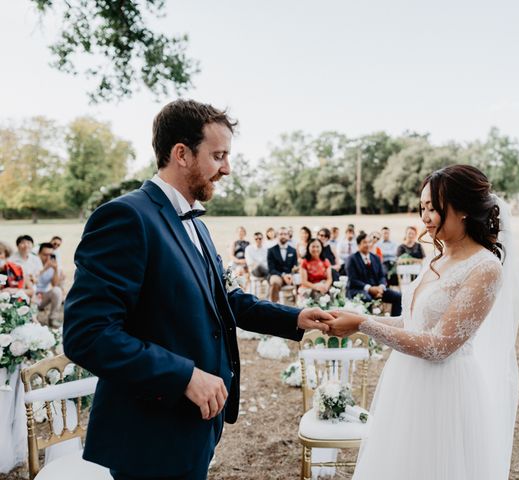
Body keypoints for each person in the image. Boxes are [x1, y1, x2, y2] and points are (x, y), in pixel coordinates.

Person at [62, 99, 332, 480]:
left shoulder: (197, 224)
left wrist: (295, 317)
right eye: (218, 155)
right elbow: (87, 335)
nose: (227, 168)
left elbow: (223, 299)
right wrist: (184, 376)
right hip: (151, 434)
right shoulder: (126, 217)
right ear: (181, 154)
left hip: (195, 427)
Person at [326, 165, 519, 479]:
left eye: (433, 207)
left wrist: (363, 325)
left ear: (462, 209)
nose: (425, 217)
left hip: (444, 390)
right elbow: (411, 322)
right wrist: (357, 319)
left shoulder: (485, 268)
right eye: (422, 208)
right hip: (406, 381)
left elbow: (439, 346)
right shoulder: (438, 258)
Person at [345, 232, 402, 316]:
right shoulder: (352, 259)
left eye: (369, 242)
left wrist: (381, 287)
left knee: (397, 296)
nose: (367, 244)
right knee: (367, 298)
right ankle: (368, 324)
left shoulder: (375, 258)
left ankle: (394, 321)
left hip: (378, 289)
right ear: (358, 244)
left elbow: (382, 276)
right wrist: (370, 288)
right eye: (364, 242)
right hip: (358, 289)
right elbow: (353, 280)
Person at [34, 242, 64, 327]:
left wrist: (55, 270)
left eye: (50, 255)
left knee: (57, 291)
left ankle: (52, 319)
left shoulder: (52, 264)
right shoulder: (32, 262)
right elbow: (33, 280)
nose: (48, 258)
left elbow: (55, 284)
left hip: (43, 295)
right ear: (39, 254)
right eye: (45, 255)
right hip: (31, 295)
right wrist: (44, 268)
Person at [267, 227, 298, 302]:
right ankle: (273, 306)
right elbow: (271, 269)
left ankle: (297, 305)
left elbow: (295, 265)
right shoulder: (271, 250)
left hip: (290, 275)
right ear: (277, 236)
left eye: (285, 234)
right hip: (277, 275)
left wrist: (291, 274)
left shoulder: (293, 250)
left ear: (288, 236)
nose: (283, 236)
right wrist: (283, 275)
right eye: (281, 234)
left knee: (300, 279)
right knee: (274, 282)